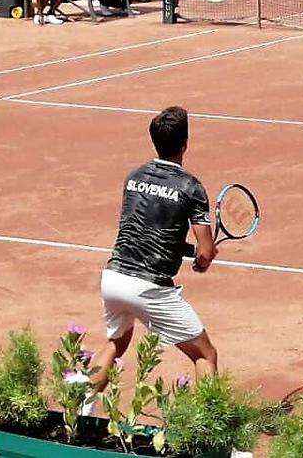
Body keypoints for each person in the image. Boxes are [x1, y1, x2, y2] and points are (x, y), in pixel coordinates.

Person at [88, 106, 219, 400]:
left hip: (113, 278)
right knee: (205, 356)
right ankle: (209, 422)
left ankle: (78, 410)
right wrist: (203, 258)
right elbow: (206, 252)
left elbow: (152, 232)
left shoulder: (133, 177)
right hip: (150, 286)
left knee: (116, 343)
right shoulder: (191, 187)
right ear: (185, 144)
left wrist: (192, 251)